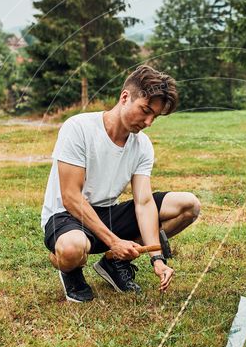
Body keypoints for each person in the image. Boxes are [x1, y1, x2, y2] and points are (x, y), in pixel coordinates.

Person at [41, 65, 200, 302]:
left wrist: (157, 258)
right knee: (72, 248)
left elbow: (144, 203)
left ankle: (114, 263)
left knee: (188, 205)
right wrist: (114, 241)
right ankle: (68, 269)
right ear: (125, 97)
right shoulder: (79, 128)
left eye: (154, 116)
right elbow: (71, 197)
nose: (148, 122)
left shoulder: (142, 145)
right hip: (67, 215)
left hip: (108, 213)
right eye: (145, 110)